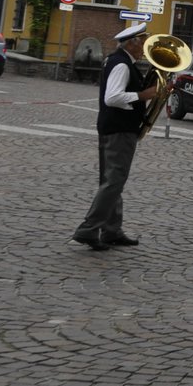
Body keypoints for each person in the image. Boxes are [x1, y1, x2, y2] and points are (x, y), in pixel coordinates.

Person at [72, 23, 160, 251]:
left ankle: (111, 230)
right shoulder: (121, 64)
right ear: (132, 43)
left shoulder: (121, 61)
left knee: (111, 180)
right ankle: (89, 229)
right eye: (142, 42)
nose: (144, 48)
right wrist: (143, 95)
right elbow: (113, 97)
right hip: (119, 129)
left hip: (116, 128)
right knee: (114, 181)